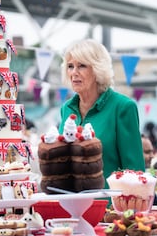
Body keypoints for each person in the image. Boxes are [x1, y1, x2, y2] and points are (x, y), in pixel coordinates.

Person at [58, 39, 145, 186]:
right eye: (70, 66)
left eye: (82, 66)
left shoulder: (123, 107)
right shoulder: (66, 109)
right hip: (70, 203)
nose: (74, 73)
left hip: (109, 206)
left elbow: (134, 171)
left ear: (98, 69)